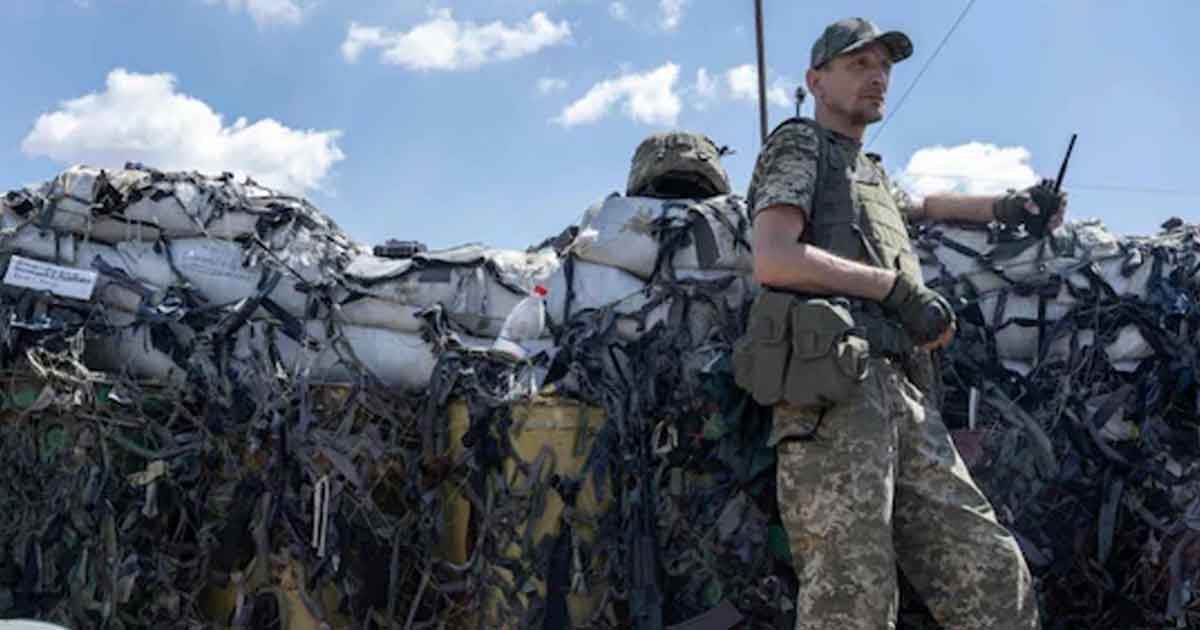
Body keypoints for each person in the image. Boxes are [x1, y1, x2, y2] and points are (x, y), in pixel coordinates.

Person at [738, 17, 1066, 630]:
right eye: (858, 64)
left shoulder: (869, 170)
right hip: (832, 395)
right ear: (816, 80)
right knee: (851, 594)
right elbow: (773, 256)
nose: (877, 77)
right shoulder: (799, 146)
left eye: (884, 66)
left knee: (990, 570)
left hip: (901, 393)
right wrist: (895, 289)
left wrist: (1010, 206)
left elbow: (923, 206)